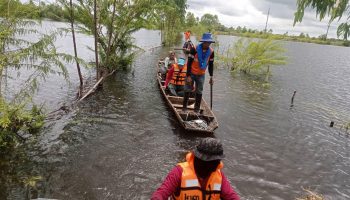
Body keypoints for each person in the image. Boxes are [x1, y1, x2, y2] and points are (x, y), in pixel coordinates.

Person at [151, 138, 240, 200]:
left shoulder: (219, 175)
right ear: (196, 157)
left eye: (212, 162)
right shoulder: (179, 172)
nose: (208, 166)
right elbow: (160, 194)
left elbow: (231, 196)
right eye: (204, 162)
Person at [183, 32, 215, 113]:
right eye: (207, 42)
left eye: (209, 42)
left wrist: (211, 76)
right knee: (187, 89)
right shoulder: (194, 49)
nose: (208, 44)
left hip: (201, 75)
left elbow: (211, 65)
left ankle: (196, 109)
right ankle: (184, 107)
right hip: (192, 73)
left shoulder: (211, 52)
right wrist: (188, 76)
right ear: (203, 42)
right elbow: (189, 62)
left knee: (199, 91)